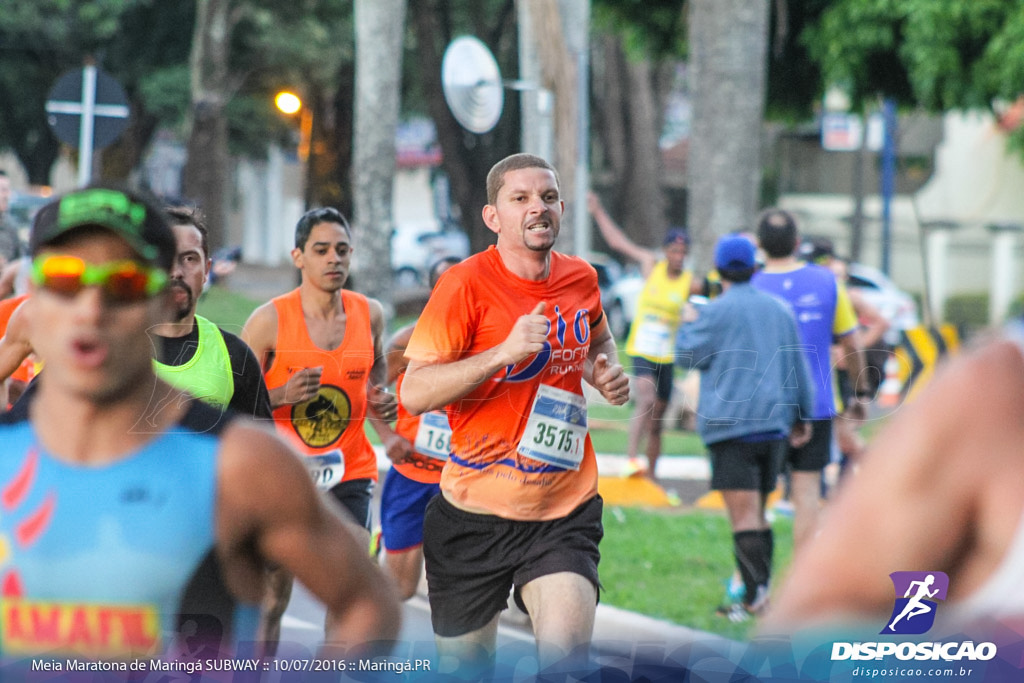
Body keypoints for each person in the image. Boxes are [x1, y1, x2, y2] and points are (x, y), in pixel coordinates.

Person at [0, 184, 400, 664]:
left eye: (123, 282)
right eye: (65, 278)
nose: (91, 307)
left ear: (158, 297)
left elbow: (367, 603)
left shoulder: (242, 463)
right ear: (33, 301)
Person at [400, 154, 630, 675]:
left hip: (563, 512)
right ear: (493, 216)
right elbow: (414, 393)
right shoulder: (463, 286)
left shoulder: (581, 278)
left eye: (547, 197)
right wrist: (503, 353)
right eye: (520, 198)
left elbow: (598, 337)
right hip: (472, 517)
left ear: (562, 208)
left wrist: (605, 372)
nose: (537, 208)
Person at [761, 324, 1024, 634]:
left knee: (805, 492)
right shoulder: (994, 394)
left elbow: (865, 331)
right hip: (812, 406)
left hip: (820, 403)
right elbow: (800, 632)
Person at [241, 206, 397, 630]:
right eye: (322, 250)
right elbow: (236, 403)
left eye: (343, 250)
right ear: (299, 257)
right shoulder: (267, 322)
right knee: (273, 599)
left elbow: (376, 367)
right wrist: (281, 394)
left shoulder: (371, 314)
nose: (334, 259)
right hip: (283, 473)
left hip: (349, 471)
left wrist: (379, 395)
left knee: (347, 592)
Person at [675, 235, 815, 622]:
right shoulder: (779, 310)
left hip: (729, 427)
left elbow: (687, 357)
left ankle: (755, 601)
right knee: (760, 513)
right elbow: (798, 367)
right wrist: (802, 416)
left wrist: (688, 324)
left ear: (719, 272)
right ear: (755, 268)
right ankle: (762, 596)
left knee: (745, 518)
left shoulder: (714, 313)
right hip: (774, 427)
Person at [751, 209, 867, 553]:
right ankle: (800, 583)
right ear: (797, 243)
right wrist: (860, 391)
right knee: (808, 494)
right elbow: (852, 342)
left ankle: (751, 583)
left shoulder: (750, 286)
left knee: (758, 497)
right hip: (815, 404)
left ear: (759, 245)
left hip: (762, 408)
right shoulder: (827, 281)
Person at [586, 191, 697, 479]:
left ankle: (651, 475)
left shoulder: (688, 282)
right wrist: (598, 210)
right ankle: (631, 459)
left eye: (682, 253)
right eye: (673, 251)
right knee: (645, 398)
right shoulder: (651, 266)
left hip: (667, 355)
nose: (677, 257)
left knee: (658, 419)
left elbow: (715, 296)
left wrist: (695, 316)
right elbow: (617, 243)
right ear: (665, 251)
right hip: (642, 350)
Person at [375, 256, 460, 600]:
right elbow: (369, 392)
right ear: (432, 291)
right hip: (411, 472)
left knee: (456, 590)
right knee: (401, 589)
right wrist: (387, 435)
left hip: (459, 480)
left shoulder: (486, 342)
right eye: (445, 285)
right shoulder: (407, 340)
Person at [801, 237, 890, 473]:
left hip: (851, 371)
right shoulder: (813, 289)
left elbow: (881, 323)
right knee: (828, 436)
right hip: (830, 372)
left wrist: (851, 348)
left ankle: (879, 473)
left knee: (845, 436)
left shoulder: (844, 292)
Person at [0, 170, 22, 268]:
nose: (7, 196)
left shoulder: (10, 225)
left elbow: (20, 258)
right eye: (3, 190)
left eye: (8, 190)